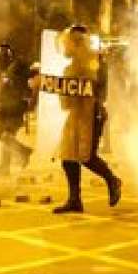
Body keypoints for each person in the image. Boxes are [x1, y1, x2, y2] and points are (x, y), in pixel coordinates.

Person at [53, 25, 122, 214]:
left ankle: (112, 180)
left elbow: (97, 91)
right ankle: (75, 200)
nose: (65, 47)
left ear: (76, 43)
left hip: (91, 114)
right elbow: (68, 97)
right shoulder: (75, 65)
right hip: (77, 114)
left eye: (68, 43)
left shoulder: (94, 63)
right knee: (68, 156)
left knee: (86, 155)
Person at [0, 43, 33, 175]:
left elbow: (21, 87)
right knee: (3, 135)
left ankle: (23, 152)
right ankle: (5, 167)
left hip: (14, 108)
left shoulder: (16, 69)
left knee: (6, 135)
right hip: (5, 108)